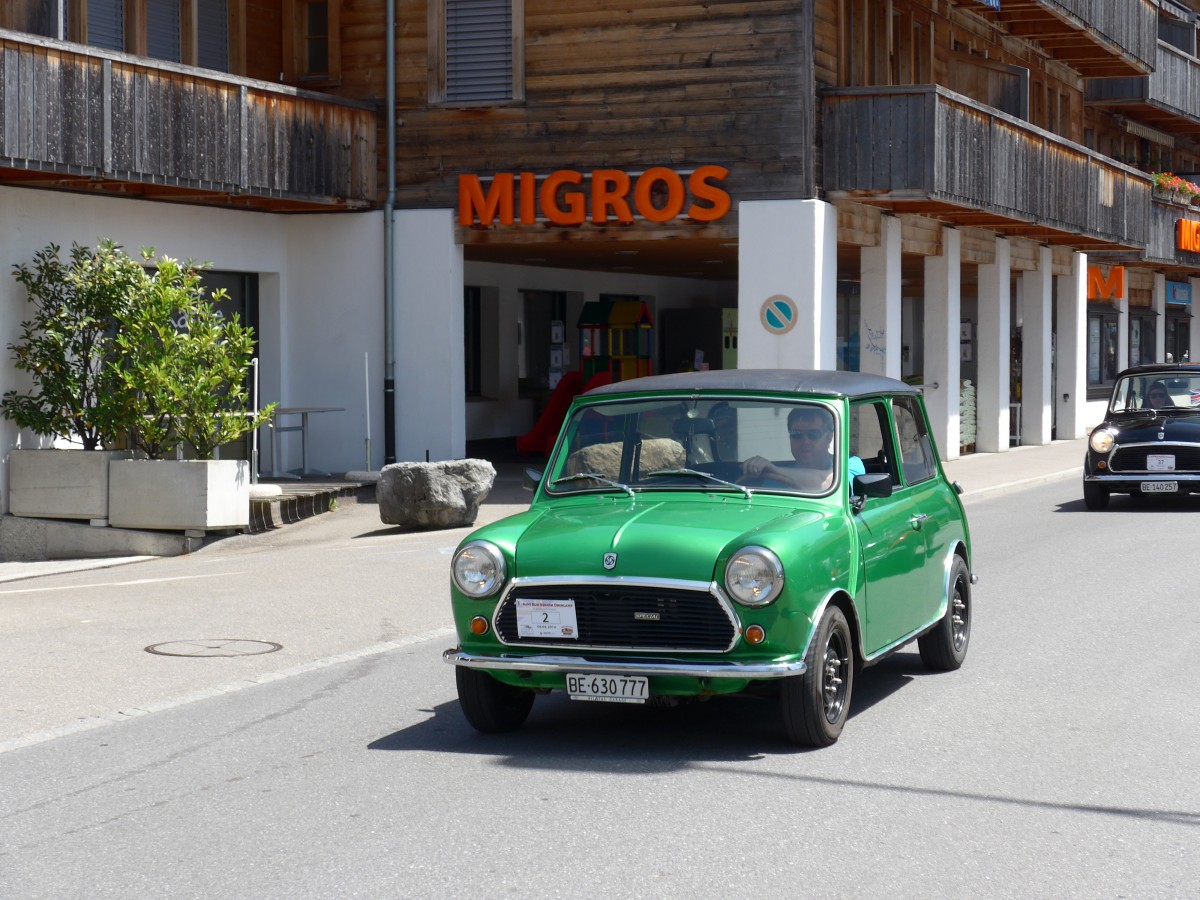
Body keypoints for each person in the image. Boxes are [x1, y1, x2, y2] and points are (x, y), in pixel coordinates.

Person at [742, 406, 865, 490]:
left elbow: (825, 484)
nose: (805, 441)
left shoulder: (851, 465)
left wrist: (772, 471)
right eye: (796, 434)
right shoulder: (773, 480)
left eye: (813, 434)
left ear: (829, 437)